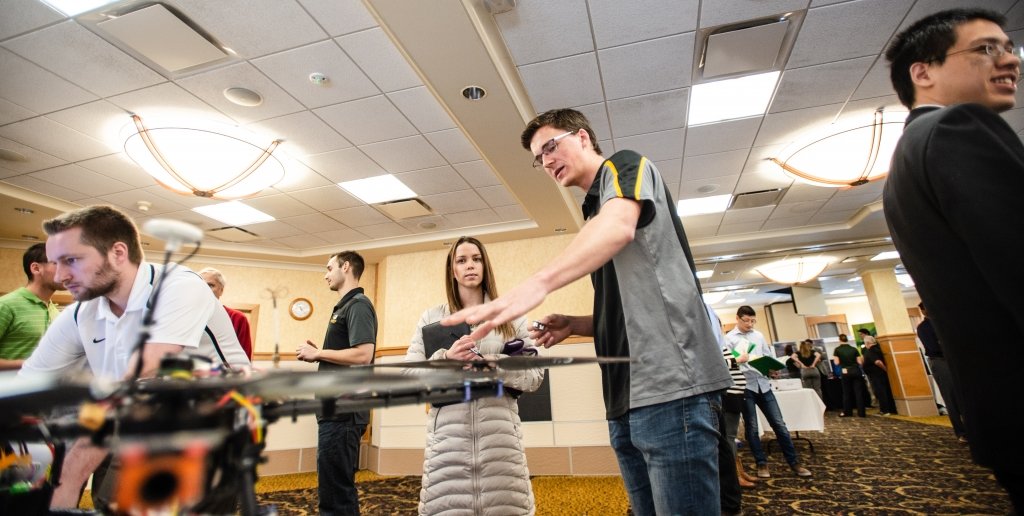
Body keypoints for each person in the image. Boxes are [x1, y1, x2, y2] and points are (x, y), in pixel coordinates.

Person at [443, 108, 733, 514]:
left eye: (550, 146)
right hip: (624, 396)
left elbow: (620, 227)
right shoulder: (593, 211)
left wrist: (537, 284)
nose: (545, 161)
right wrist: (578, 324)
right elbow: (631, 307)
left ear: (582, 137)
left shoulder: (625, 165)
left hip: (671, 386)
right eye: (537, 157)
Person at [19, 205, 250, 508]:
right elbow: (29, 385)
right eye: (54, 264)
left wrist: (72, 476)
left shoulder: (179, 286)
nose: (60, 276)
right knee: (111, 502)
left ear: (117, 253)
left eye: (71, 261)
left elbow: (142, 372)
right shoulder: (80, 313)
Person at [883, 8, 1022, 509]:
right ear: (923, 72)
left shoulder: (905, 157)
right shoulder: (956, 127)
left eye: (1010, 48)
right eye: (986, 49)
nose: (1008, 61)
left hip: (1002, 407)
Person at [404, 236, 543, 515]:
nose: (470, 265)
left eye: (476, 259)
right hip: (447, 448)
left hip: (501, 443)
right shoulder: (431, 319)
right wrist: (446, 359)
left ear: (485, 266)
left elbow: (535, 376)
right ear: (452, 270)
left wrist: (493, 364)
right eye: (462, 260)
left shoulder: (510, 315)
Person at [296, 251, 376, 516]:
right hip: (334, 411)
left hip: (344, 412)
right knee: (333, 490)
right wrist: (321, 352)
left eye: (330, 268)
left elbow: (363, 354)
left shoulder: (358, 304)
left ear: (346, 266)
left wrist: (318, 354)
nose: (326, 274)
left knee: (336, 495)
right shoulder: (345, 306)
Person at [727, 306, 812, 479]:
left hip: (764, 384)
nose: (750, 324)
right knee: (752, 427)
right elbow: (727, 364)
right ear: (738, 318)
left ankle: (794, 462)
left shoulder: (758, 336)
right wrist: (738, 360)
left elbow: (767, 356)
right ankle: (761, 463)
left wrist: (773, 369)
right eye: (746, 320)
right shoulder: (728, 339)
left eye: (753, 321)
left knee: (779, 424)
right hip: (745, 386)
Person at [0, 243, 63, 370]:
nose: (67, 270)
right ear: (36, 268)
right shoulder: (6, 305)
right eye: (58, 264)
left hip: (40, 388)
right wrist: (32, 364)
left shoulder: (54, 310)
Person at [917, 302, 967, 443]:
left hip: (953, 361)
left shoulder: (944, 322)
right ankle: (962, 432)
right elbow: (935, 346)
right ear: (923, 310)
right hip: (940, 362)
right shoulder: (924, 327)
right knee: (951, 398)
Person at [199, 267, 253, 360]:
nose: (204, 289)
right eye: (201, 285)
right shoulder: (189, 317)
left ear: (221, 290)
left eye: (210, 285)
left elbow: (244, 358)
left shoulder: (237, 318)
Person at [861, 332, 897, 415]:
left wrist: (885, 369)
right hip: (879, 374)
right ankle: (890, 409)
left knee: (881, 392)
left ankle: (885, 410)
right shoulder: (877, 349)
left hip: (876, 375)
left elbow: (877, 362)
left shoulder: (871, 351)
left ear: (867, 343)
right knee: (885, 391)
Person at [832, 334, 865, 418]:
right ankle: (861, 413)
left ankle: (848, 412)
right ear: (847, 340)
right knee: (859, 392)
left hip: (845, 371)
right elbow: (860, 362)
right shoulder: (854, 349)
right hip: (856, 371)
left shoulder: (837, 349)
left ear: (839, 340)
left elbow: (836, 362)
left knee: (846, 392)